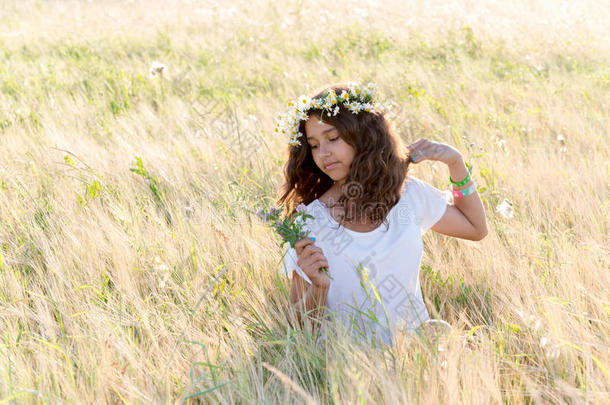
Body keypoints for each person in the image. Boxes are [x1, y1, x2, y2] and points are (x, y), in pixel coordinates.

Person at [275, 82, 488, 348]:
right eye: (314, 145)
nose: (324, 153)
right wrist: (318, 288)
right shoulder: (309, 220)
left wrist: (456, 163)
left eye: (332, 139)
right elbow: (297, 330)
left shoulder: (408, 195)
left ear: (362, 136)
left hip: (415, 357)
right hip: (347, 369)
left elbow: (475, 228)